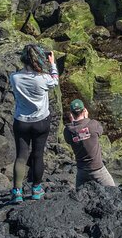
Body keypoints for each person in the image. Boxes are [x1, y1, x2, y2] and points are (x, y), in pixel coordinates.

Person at [8, 44, 59, 204]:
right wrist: (52, 64)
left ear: (23, 59)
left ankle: (17, 191)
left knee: (21, 156)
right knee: (38, 155)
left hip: (21, 121)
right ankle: (36, 189)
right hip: (41, 121)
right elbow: (55, 81)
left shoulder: (14, 78)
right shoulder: (44, 79)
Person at [63, 99, 116, 189]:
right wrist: (86, 118)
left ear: (71, 114)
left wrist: (74, 124)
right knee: (113, 191)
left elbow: (70, 139)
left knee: (79, 195)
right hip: (98, 169)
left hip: (82, 171)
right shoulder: (93, 124)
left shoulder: (68, 131)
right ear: (84, 111)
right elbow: (100, 131)